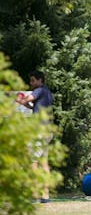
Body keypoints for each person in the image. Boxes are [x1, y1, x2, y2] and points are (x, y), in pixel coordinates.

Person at [15, 70, 53, 203]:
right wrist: (23, 103)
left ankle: (36, 195)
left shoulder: (39, 90)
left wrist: (20, 99)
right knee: (44, 163)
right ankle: (45, 195)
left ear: (40, 80)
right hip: (47, 131)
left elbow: (28, 99)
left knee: (33, 162)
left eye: (33, 80)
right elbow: (32, 106)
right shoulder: (47, 92)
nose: (31, 83)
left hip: (39, 131)